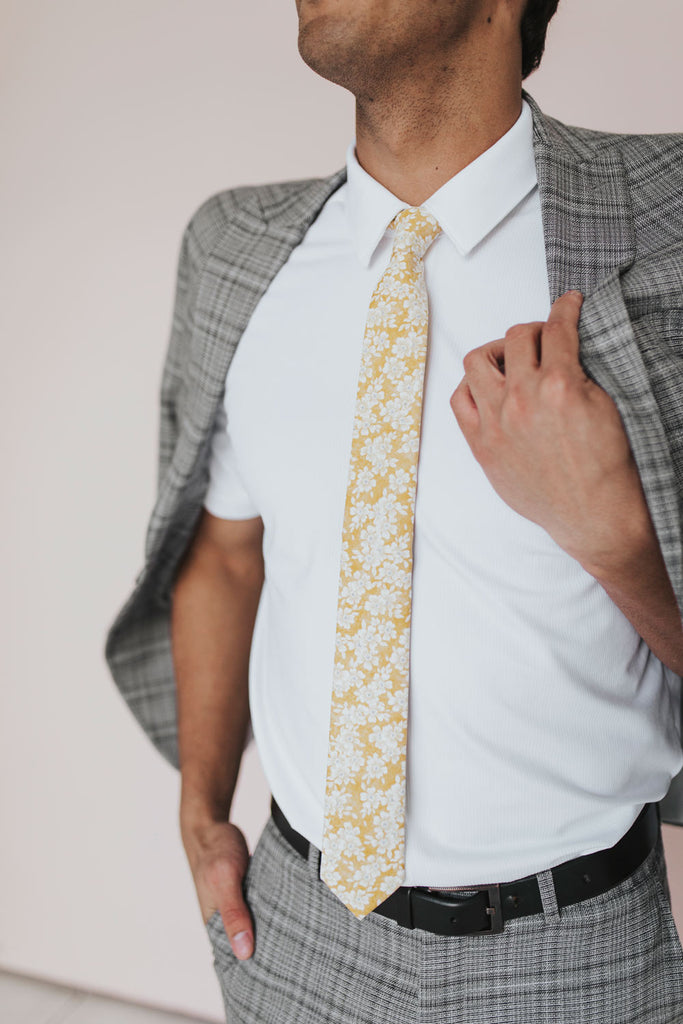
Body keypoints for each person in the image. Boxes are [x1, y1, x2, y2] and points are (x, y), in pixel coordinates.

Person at [104, 0, 683, 1020]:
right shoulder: (236, 250)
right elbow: (228, 552)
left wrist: (612, 539)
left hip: (574, 960)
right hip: (295, 937)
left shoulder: (668, 225)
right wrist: (200, 808)